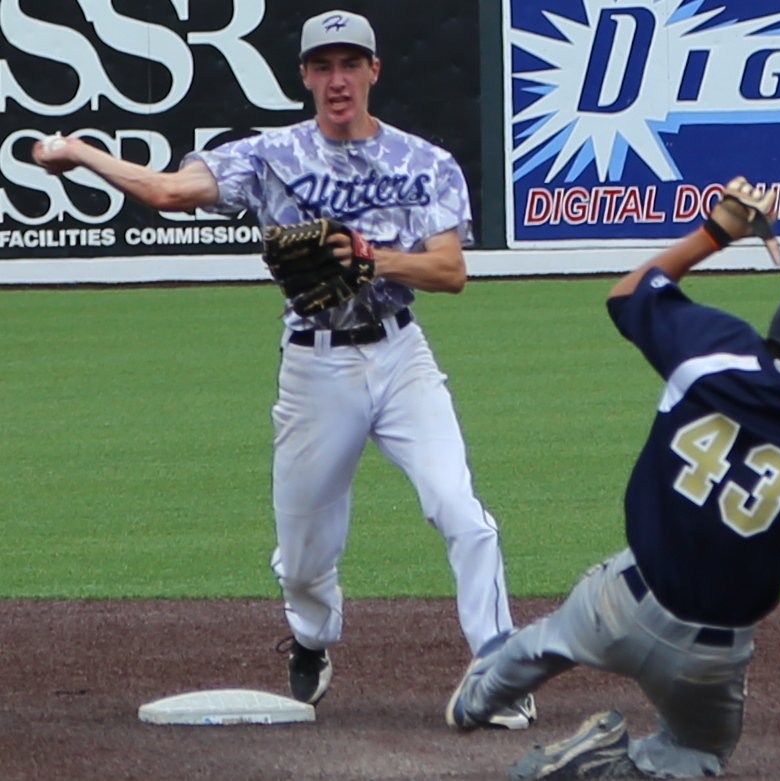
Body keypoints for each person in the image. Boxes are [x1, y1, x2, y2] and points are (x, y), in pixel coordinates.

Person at [32, 8, 537, 729]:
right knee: (303, 558)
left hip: (401, 357)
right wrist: (82, 152)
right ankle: (311, 635)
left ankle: (501, 669)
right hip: (314, 369)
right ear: (304, 75)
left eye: (350, 63)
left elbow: (451, 271)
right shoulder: (268, 156)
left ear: (374, 71)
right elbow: (168, 192)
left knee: (463, 511)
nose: (338, 79)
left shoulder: (424, 162)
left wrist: (372, 258)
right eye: (323, 65)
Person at [444, 177, 780, 779]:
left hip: (619, 600)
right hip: (703, 655)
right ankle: (607, 767)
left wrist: (717, 232)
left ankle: (479, 699)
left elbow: (627, 295)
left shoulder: (714, 346)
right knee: (696, 753)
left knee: (543, 642)